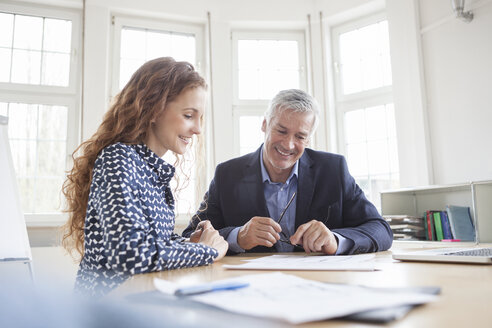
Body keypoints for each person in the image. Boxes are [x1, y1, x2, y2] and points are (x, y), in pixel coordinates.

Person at [61, 57, 228, 296]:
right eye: (189, 116)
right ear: (154, 109)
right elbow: (132, 255)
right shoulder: (118, 159)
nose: (198, 129)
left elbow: (152, 242)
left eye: (200, 118)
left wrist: (190, 242)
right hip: (105, 309)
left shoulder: (151, 168)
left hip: (137, 299)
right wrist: (207, 251)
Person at [183, 89, 392, 255]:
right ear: (265, 124)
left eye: (300, 136)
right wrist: (238, 237)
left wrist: (335, 240)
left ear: (308, 138)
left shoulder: (333, 170)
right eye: (281, 131)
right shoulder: (227, 175)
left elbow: (380, 229)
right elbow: (191, 235)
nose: (288, 144)